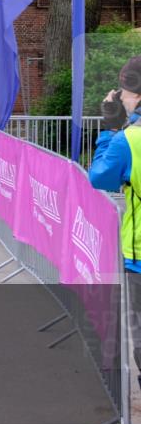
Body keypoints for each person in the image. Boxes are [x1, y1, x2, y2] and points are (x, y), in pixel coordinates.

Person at [88, 55, 141, 394]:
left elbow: (100, 177)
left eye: (126, 92)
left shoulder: (129, 140)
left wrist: (110, 128)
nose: (122, 98)